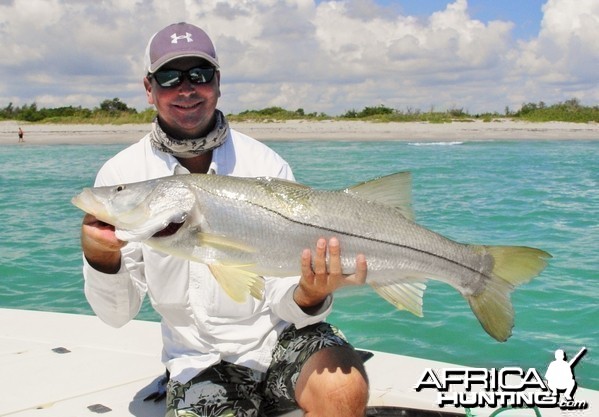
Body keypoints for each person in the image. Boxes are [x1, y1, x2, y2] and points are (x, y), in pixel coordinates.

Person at [80, 22, 369, 417]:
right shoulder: (121, 176)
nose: (186, 88)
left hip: (282, 338)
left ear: (217, 82)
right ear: (149, 88)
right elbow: (116, 316)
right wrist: (102, 260)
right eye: (169, 76)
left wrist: (312, 292)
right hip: (197, 361)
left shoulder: (265, 164)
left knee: (343, 389)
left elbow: (284, 298)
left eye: (199, 74)